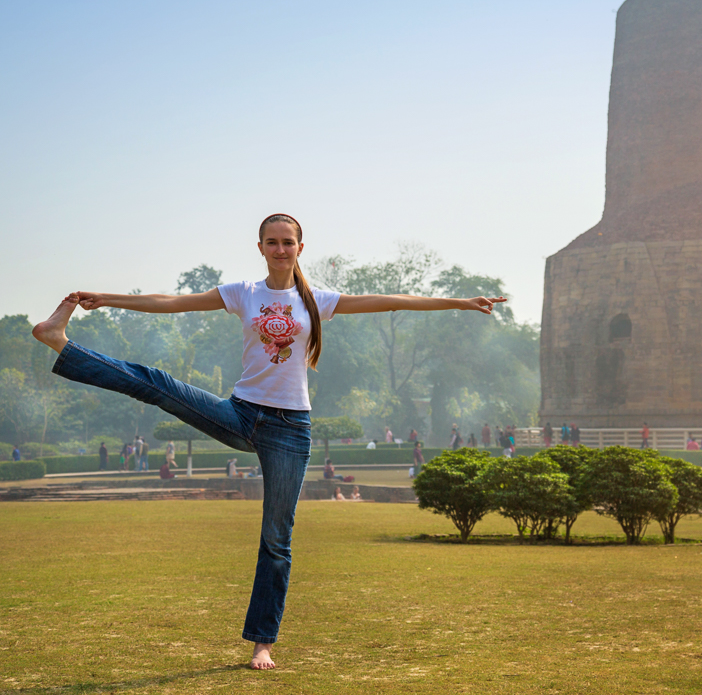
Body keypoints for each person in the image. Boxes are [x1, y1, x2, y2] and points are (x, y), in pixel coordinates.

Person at [29, 212, 506, 671]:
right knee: (157, 383)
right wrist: (109, 299)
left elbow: (392, 301)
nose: (280, 249)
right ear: (260, 248)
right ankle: (59, 341)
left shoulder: (317, 300)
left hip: (290, 430)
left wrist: (461, 303)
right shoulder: (244, 292)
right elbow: (172, 302)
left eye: (288, 242)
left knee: (277, 540)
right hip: (240, 414)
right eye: (272, 242)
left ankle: (263, 643)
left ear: (300, 248)